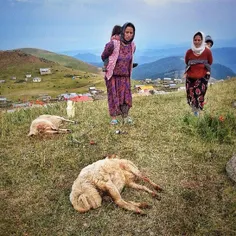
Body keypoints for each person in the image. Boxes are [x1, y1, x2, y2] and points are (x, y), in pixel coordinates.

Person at [101, 22, 136, 125]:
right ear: (122, 32)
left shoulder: (132, 46)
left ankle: (126, 116)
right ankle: (114, 118)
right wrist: (108, 63)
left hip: (125, 76)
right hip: (113, 76)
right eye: (127, 32)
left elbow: (129, 58)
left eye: (131, 33)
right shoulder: (113, 44)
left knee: (126, 97)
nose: (129, 35)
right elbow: (103, 55)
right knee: (113, 96)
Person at [184, 31, 213, 116]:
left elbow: (210, 62)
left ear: (202, 40)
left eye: (199, 40)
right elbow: (187, 62)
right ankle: (195, 114)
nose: (197, 42)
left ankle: (197, 114)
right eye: (195, 40)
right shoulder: (189, 52)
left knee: (199, 96)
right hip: (190, 78)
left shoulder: (207, 52)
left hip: (202, 77)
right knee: (192, 96)